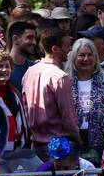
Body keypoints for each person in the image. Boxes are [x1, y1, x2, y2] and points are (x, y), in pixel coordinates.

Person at [22, 27, 80, 161]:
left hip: (35, 145)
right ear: (55, 49)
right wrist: (77, 141)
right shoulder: (60, 77)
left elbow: (25, 108)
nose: (69, 50)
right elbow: (68, 117)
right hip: (59, 148)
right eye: (67, 46)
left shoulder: (29, 72)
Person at [64, 38, 104, 165]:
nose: (86, 59)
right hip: (72, 142)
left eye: (90, 55)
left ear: (95, 58)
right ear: (74, 58)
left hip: (103, 143)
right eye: (81, 55)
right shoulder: (65, 82)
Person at [0, 50, 29, 153]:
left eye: (7, 66)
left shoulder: (15, 91)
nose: (4, 70)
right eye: (0, 66)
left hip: (16, 147)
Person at [7, 21, 38, 93]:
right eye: (29, 38)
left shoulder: (35, 67)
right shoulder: (1, 68)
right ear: (15, 39)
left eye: (34, 38)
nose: (34, 42)